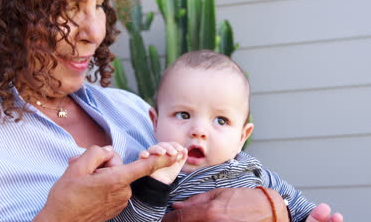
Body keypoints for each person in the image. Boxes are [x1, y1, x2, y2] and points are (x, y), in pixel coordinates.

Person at [0, 0, 341, 221]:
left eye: (98, 4)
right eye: (69, 6)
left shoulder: (132, 110)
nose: (95, 30)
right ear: (0, 12)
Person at [111, 50, 343, 222]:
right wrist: (156, 184)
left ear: (243, 136)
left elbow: (293, 202)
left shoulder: (251, 169)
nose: (199, 131)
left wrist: (309, 218)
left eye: (221, 120)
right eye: (183, 114)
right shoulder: (149, 176)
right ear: (155, 122)